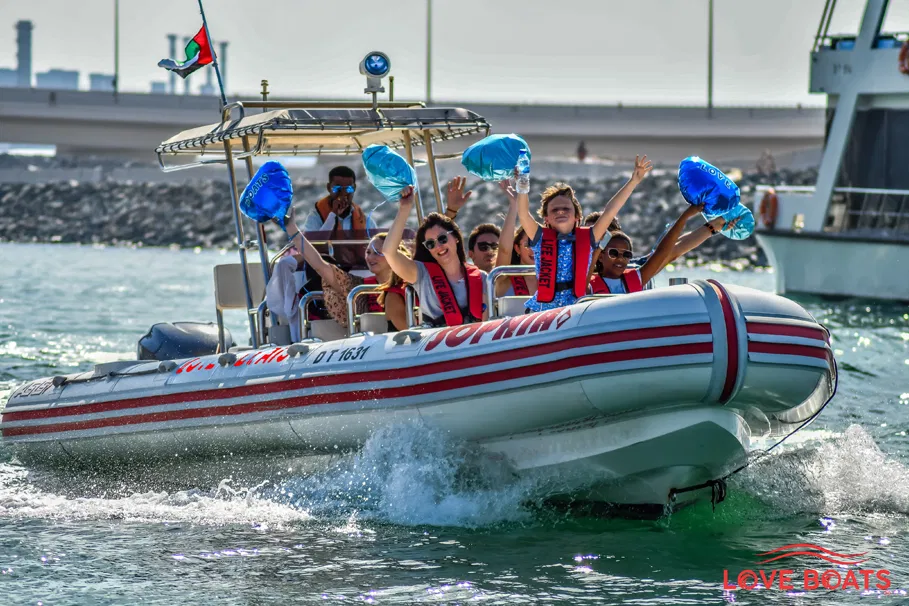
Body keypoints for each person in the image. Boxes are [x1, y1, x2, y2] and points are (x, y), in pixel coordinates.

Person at [516, 155, 653, 312]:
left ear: (577, 217)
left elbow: (609, 212)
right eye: (554, 209)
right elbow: (523, 214)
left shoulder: (588, 238)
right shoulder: (540, 237)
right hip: (544, 308)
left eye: (566, 208)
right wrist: (523, 180)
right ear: (546, 218)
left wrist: (633, 181)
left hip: (577, 307)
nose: (560, 211)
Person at [281, 209, 410, 332]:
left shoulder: (413, 280)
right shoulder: (358, 288)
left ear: (394, 254)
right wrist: (293, 230)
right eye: (368, 252)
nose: (370, 257)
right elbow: (320, 265)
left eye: (378, 253)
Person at [383, 187, 488, 327]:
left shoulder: (481, 277)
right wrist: (404, 208)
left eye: (442, 239)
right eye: (430, 244)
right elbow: (389, 252)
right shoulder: (421, 274)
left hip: (475, 342)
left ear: (456, 237)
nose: (438, 246)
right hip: (438, 344)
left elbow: (487, 321)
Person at [589, 203, 706, 294]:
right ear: (600, 254)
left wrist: (686, 217)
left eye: (626, 255)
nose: (620, 259)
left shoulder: (637, 275)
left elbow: (664, 251)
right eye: (613, 253)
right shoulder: (584, 281)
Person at [303, 166, 379, 234]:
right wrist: (333, 215)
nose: (343, 193)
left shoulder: (365, 220)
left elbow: (376, 246)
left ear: (354, 188)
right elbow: (312, 246)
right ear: (329, 188)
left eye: (349, 189)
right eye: (337, 188)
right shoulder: (315, 217)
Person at [495, 181, 536, 297]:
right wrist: (514, 205)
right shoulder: (503, 280)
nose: (535, 250)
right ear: (517, 248)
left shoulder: (556, 282)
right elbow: (504, 250)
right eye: (529, 244)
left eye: (541, 244)